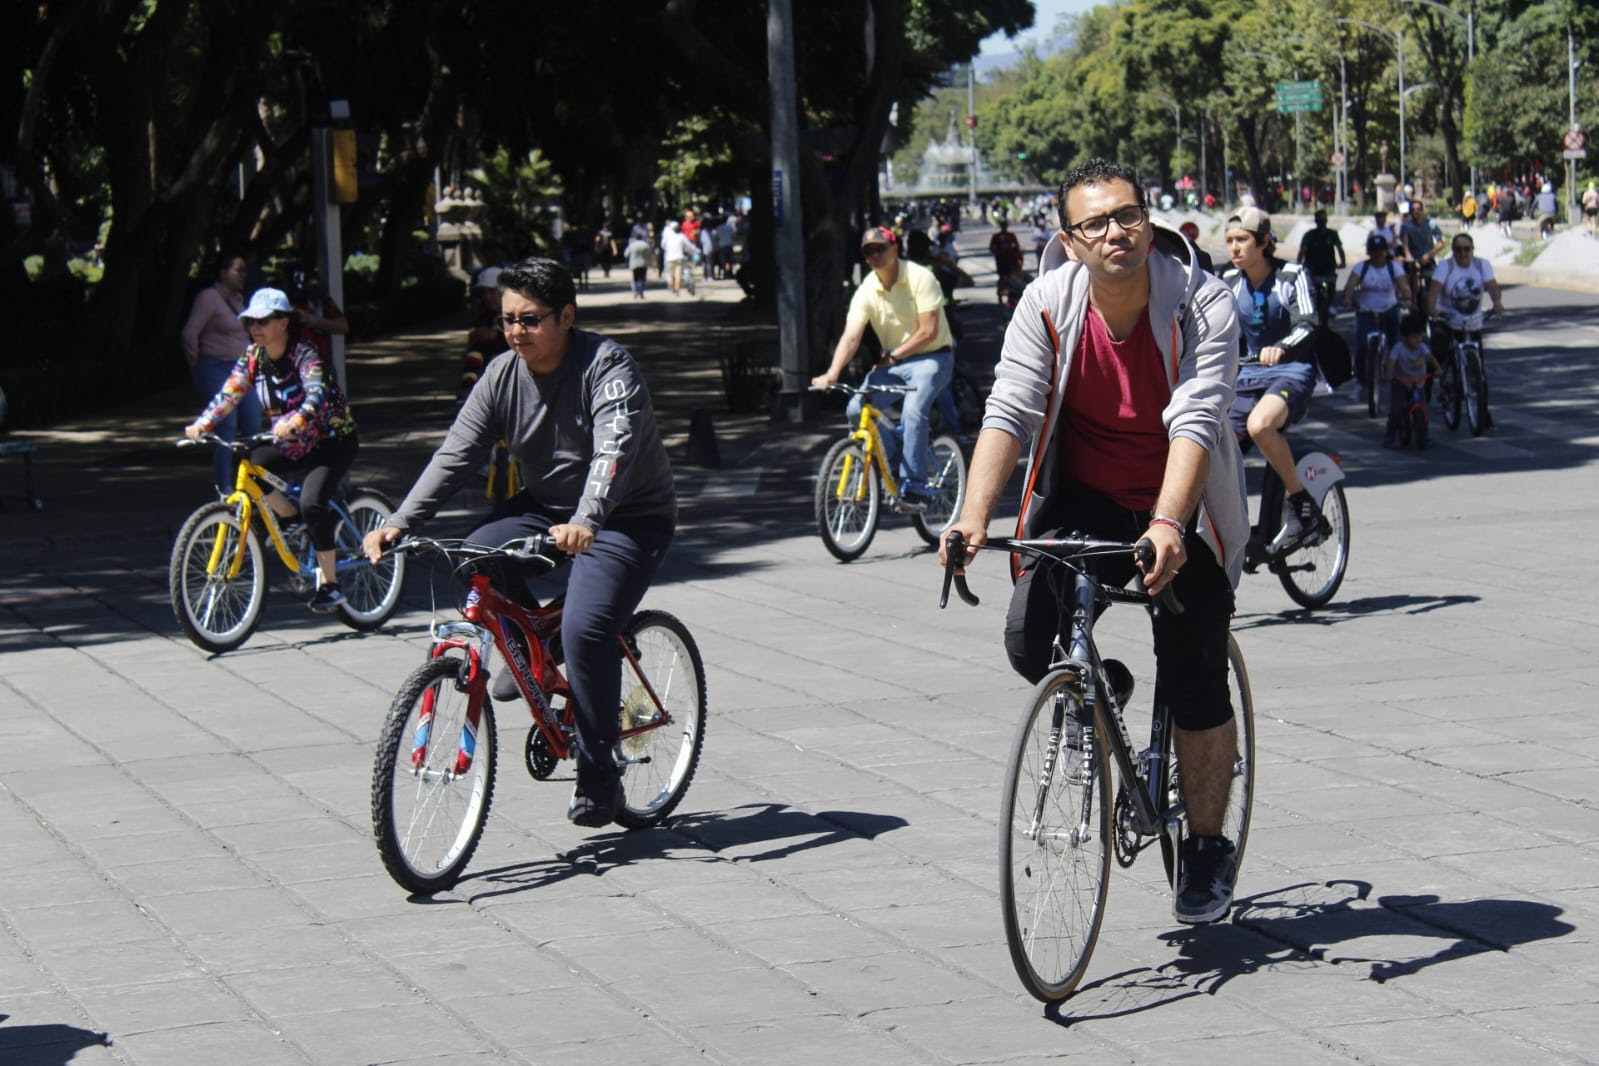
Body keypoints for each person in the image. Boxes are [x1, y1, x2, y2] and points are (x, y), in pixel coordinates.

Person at [940, 157, 1249, 926]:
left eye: (1128, 214)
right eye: (1095, 222)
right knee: (1025, 639)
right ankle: (1097, 686)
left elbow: (1197, 420)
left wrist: (1168, 526)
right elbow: (1009, 409)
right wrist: (971, 516)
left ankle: (1207, 846)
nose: (1116, 231)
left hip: (1179, 509)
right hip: (1082, 498)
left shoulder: (1199, 304)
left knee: (1195, 675)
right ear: (1069, 241)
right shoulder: (1046, 305)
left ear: (1149, 220)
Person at [364, 258, 676, 829]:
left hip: (625, 516)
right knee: (469, 559)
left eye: (530, 320)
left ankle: (598, 768)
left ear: (566, 317)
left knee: (586, 626)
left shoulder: (607, 368)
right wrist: (401, 521)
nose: (514, 332)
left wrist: (587, 519)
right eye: (507, 319)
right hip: (548, 508)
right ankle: (535, 652)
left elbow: (612, 453)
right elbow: (457, 452)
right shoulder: (502, 374)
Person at [186, 288, 359, 611]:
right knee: (250, 463)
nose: (256, 327)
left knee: (313, 502)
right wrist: (203, 423)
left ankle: (331, 585)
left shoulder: (306, 354)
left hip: (331, 439)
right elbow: (229, 393)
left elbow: (316, 395)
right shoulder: (255, 356)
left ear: (283, 322)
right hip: (292, 441)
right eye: (251, 321)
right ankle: (289, 518)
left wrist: (296, 420)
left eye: (264, 320)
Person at [810, 225, 955, 513]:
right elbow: (851, 336)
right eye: (868, 252)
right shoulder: (867, 288)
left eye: (879, 249)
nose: (874, 255)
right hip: (895, 362)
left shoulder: (920, 277)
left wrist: (893, 356)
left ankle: (916, 486)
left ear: (894, 249)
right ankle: (895, 459)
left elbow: (928, 331)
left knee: (913, 412)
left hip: (932, 358)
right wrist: (832, 373)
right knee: (855, 409)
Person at [1218, 206, 1323, 557]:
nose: (1234, 248)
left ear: (1264, 242)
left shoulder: (1292, 276)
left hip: (1292, 371)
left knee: (1260, 425)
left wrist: (1280, 348)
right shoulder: (1229, 282)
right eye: (1230, 240)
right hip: (1247, 374)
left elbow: (1308, 323)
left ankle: (1300, 503)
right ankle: (1230, 520)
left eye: (1242, 240)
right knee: (1216, 441)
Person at [181, 250, 262, 492]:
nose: (243, 275)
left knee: (253, 426)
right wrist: (196, 363)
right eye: (238, 269)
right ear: (222, 272)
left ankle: (254, 483)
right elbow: (189, 333)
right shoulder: (208, 298)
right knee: (226, 424)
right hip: (214, 366)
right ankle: (224, 486)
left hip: (241, 369)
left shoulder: (238, 300)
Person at [1427, 232, 1505, 428]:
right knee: (1440, 356)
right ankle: (1435, 392)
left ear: (1472, 250)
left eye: (1466, 249)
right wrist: (1433, 309)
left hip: (1473, 322)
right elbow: (1434, 290)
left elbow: (1492, 286)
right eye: (1458, 250)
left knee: (1479, 371)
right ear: (1452, 251)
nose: (1463, 253)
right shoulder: (1446, 267)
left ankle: (1482, 413)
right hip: (1447, 321)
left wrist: (1497, 303)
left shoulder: (1481, 265)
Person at [1340, 234, 1410, 405]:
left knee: (1395, 346)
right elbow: (1350, 286)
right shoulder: (1361, 268)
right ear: (1369, 253)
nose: (1378, 254)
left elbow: (1404, 287)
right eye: (1374, 251)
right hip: (1366, 311)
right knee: (1362, 348)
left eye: (1381, 251)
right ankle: (1360, 382)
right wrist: (1347, 299)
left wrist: (1407, 298)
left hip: (1389, 309)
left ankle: (1396, 378)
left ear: (1386, 252)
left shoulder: (1394, 268)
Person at [1382, 314, 1445, 449]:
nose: (1418, 340)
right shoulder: (1398, 348)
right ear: (1405, 337)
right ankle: (1390, 434)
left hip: (1418, 382)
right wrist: (1389, 375)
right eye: (1414, 337)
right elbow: (1392, 362)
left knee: (1423, 408)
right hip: (1401, 382)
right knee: (1396, 411)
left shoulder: (1422, 347)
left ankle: (1425, 434)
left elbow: (1430, 358)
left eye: (1420, 336)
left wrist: (1438, 369)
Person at [461, 266, 505, 400]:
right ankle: (468, 388)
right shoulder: (484, 314)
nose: (487, 297)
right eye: (483, 293)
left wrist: (497, 334)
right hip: (491, 359)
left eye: (492, 291)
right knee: (475, 349)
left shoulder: (517, 312)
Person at [1296, 209, 1346, 326]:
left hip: (1328, 267)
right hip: (1313, 268)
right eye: (1320, 220)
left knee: (1332, 284)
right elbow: (1303, 250)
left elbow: (1339, 248)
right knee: (1310, 288)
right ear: (1316, 221)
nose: (1322, 223)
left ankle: (1331, 304)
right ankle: (1311, 307)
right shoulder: (1309, 235)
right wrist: (1299, 263)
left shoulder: (1332, 234)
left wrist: (1343, 262)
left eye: (1323, 220)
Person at [1398, 199, 1444, 303]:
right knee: (1412, 273)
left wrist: (1429, 255)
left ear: (1422, 211)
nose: (1416, 212)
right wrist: (1409, 256)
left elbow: (1441, 243)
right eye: (1413, 209)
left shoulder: (1430, 223)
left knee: (1438, 277)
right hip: (1414, 260)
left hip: (1428, 259)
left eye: (1418, 209)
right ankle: (1412, 299)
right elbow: (1405, 244)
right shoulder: (1406, 226)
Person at [988, 218, 1023, 301]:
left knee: (1010, 277)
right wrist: (999, 252)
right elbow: (991, 248)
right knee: (1002, 277)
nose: (1004, 227)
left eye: (1005, 225)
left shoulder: (1011, 235)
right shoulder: (996, 236)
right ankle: (1000, 292)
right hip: (1001, 260)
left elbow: (1017, 246)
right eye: (1002, 225)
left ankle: (1010, 294)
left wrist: (1015, 253)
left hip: (1010, 260)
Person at [623, 228, 653, 299]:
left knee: (635, 278)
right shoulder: (645, 245)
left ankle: (636, 290)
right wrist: (649, 262)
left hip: (634, 264)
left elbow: (626, 254)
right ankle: (641, 291)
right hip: (643, 263)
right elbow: (649, 254)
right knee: (642, 278)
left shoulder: (632, 245)